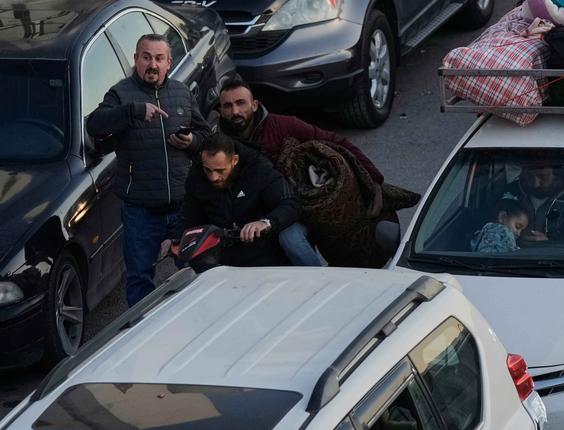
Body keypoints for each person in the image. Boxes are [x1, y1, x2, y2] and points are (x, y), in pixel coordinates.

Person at [85, 33, 210, 305]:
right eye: (146, 57)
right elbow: (94, 125)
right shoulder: (120, 94)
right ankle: (140, 336)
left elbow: (205, 136)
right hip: (141, 211)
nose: (152, 64)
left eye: (159, 58)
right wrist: (133, 111)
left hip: (183, 206)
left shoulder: (181, 92)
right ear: (136, 60)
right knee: (140, 278)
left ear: (168, 63)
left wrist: (191, 142)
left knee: (195, 271)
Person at [218, 79, 386, 266]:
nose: (235, 111)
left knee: (292, 241)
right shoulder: (220, 145)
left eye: (240, 103)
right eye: (228, 106)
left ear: (254, 105)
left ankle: (321, 285)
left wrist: (374, 179)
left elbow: (337, 142)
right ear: (221, 111)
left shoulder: (284, 126)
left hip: (299, 209)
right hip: (256, 219)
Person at [167, 132, 300, 268]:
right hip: (220, 258)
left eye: (220, 170)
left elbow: (290, 204)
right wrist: (175, 239)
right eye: (208, 170)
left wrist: (265, 223)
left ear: (234, 160)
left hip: (265, 253)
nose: (213, 177)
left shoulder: (258, 169)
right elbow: (189, 216)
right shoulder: (196, 177)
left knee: (293, 239)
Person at [502, 158, 564, 242]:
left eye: (542, 176)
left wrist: (550, 246)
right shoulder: (507, 194)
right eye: (529, 176)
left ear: (560, 174)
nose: (535, 184)